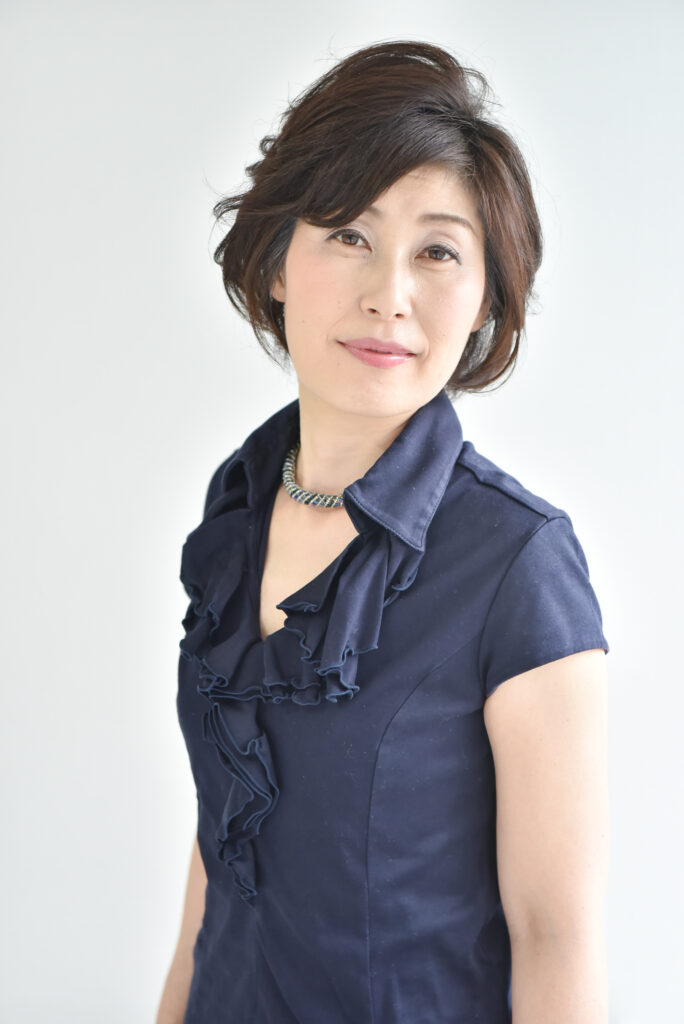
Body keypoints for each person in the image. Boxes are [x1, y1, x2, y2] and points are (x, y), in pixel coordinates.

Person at [156, 40, 611, 1024]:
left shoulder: (519, 562)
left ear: (486, 297)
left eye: (437, 252)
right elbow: (220, 849)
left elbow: (555, 937)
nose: (388, 294)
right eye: (348, 234)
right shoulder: (236, 512)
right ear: (278, 261)